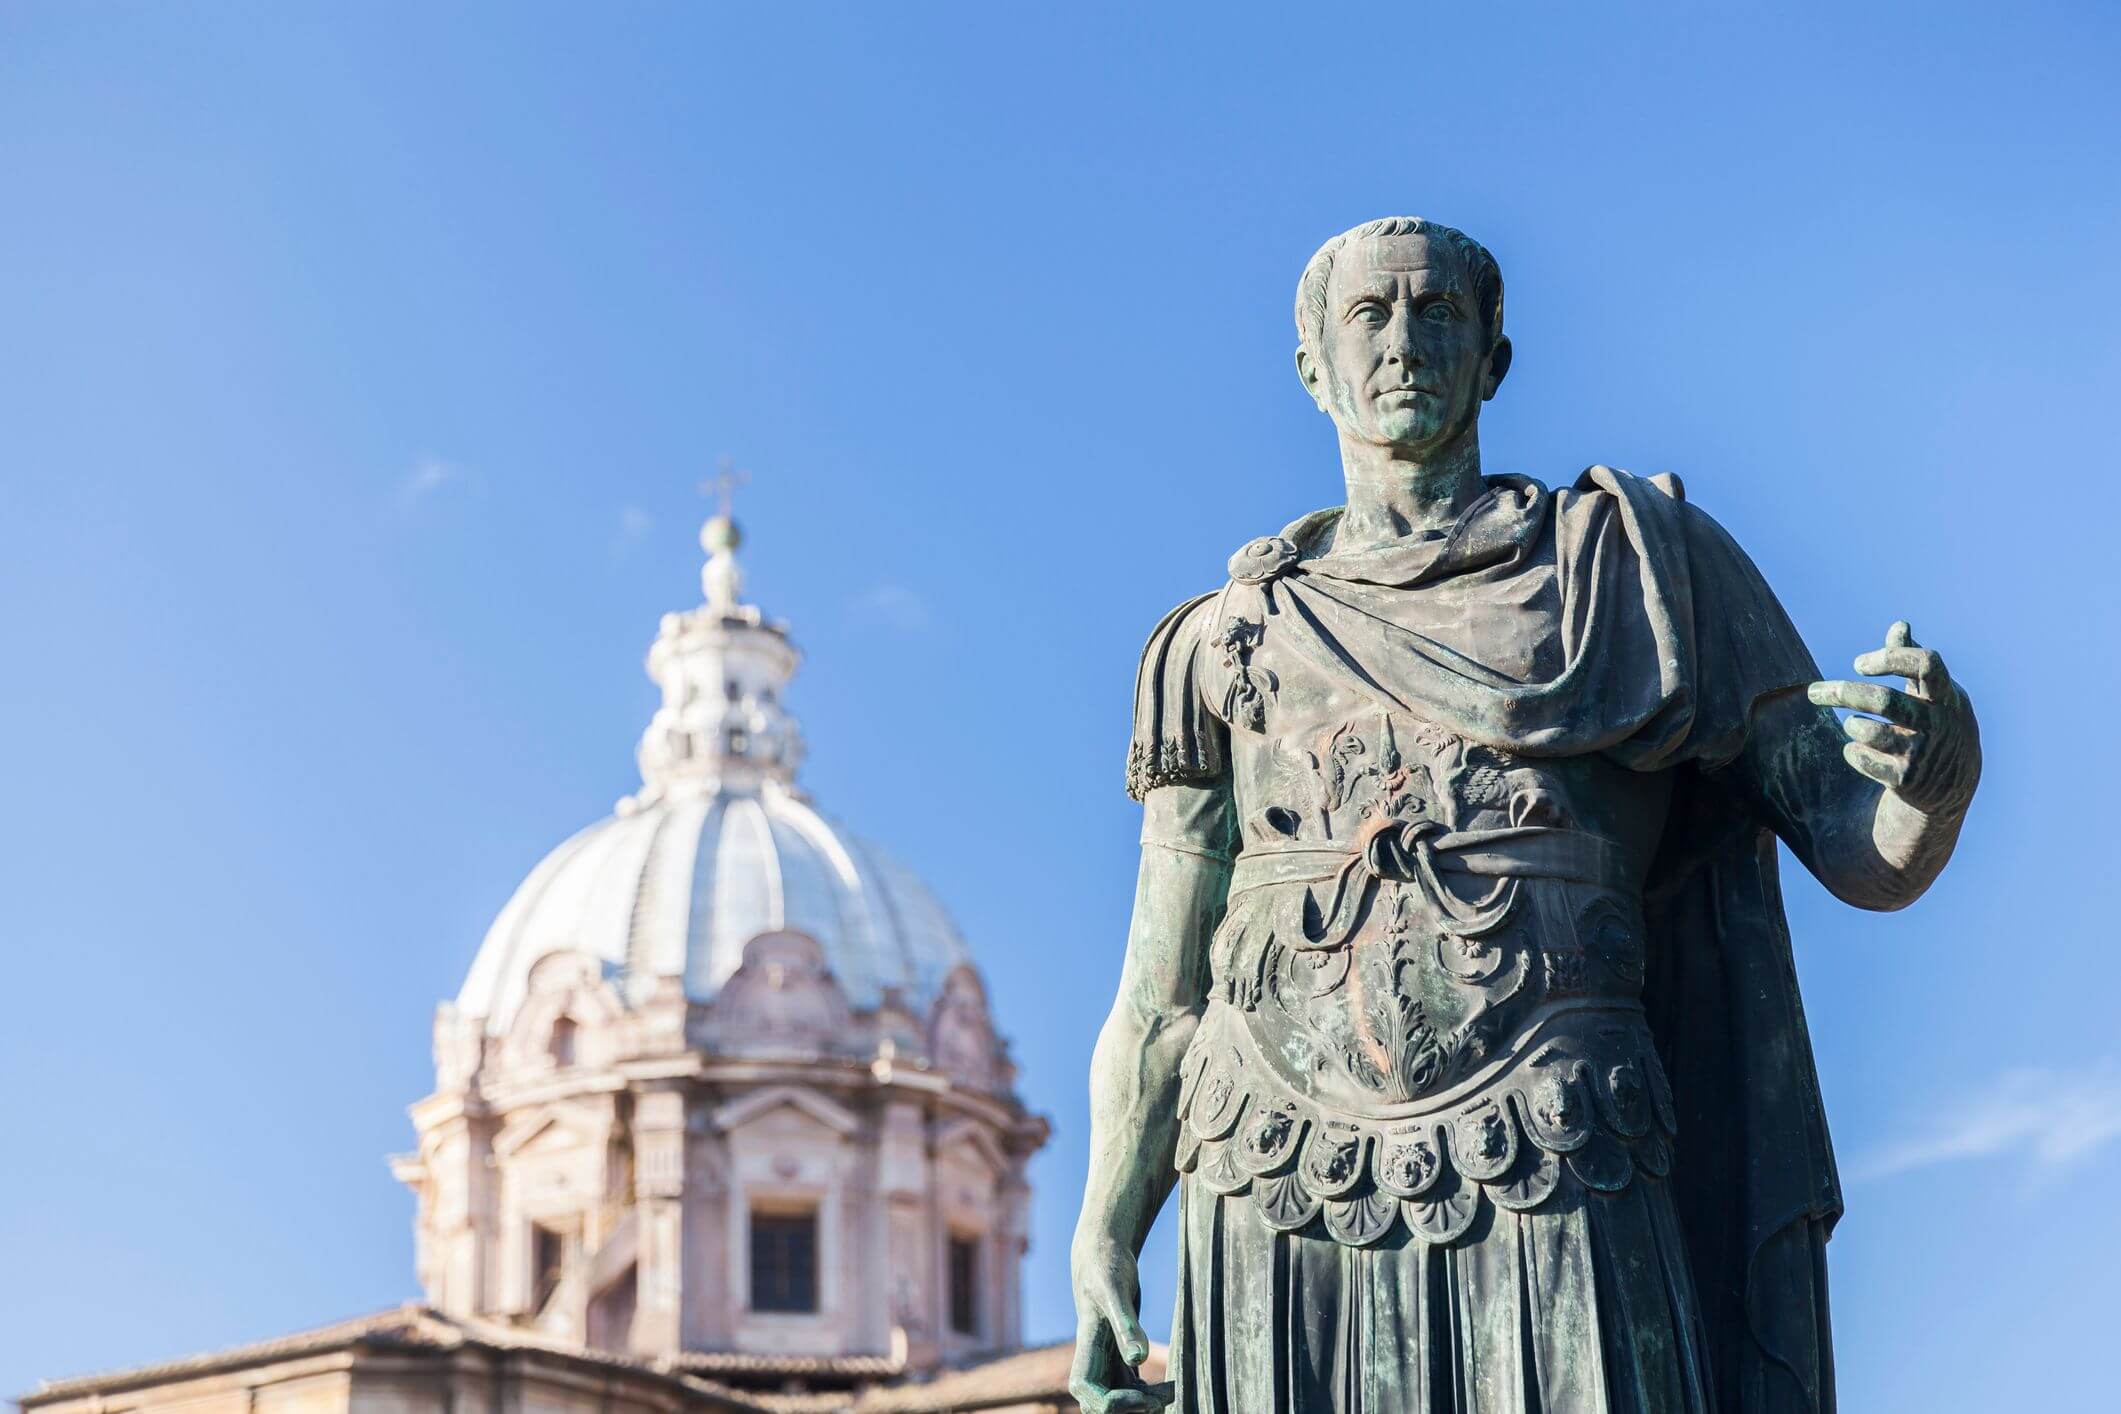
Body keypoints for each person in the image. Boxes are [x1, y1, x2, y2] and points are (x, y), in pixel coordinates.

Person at [1068, 217, 1981, 1414]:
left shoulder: (1638, 574)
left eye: (1438, 313)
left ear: (1493, 357)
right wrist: (1106, 1226)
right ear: (1313, 368)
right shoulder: (1219, 642)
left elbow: (1864, 853)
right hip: (1268, 1178)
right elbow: (1159, 992)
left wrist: (1934, 776)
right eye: (1370, 315)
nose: (1404, 342)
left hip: (1557, 1150)